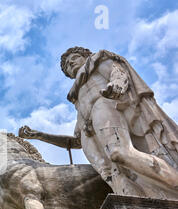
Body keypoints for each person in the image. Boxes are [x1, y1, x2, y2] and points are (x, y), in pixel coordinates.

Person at [19, 47, 178, 199]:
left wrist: (117, 86)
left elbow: (118, 74)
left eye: (74, 58)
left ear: (85, 56)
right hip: (89, 129)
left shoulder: (95, 62)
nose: (71, 64)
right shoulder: (77, 98)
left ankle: (173, 181)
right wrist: (40, 136)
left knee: (120, 153)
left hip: (104, 105)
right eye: (67, 65)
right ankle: (139, 204)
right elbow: (75, 141)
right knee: (111, 174)